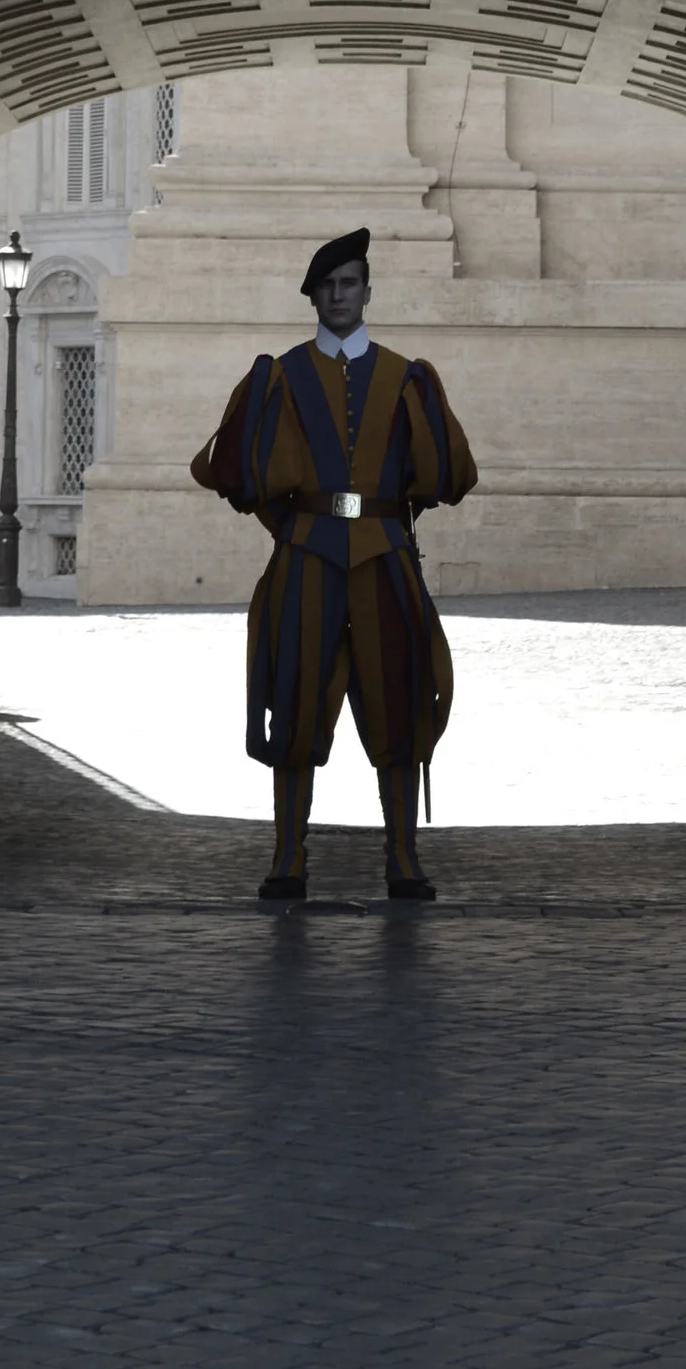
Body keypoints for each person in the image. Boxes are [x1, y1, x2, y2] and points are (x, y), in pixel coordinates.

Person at [190, 228, 477, 905]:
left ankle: (403, 858)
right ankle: (288, 858)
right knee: (293, 706)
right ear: (314, 295)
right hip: (306, 564)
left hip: (384, 562)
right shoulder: (281, 376)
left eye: (350, 283)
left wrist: (390, 526)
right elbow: (237, 473)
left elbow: (446, 472)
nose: (339, 294)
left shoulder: (407, 376)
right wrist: (291, 529)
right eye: (328, 285)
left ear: (366, 291)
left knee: (400, 704)